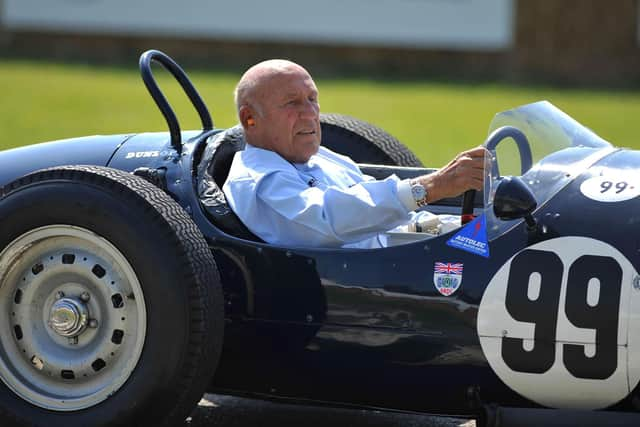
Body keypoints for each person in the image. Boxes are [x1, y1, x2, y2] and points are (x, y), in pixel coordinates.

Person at [223, 59, 487, 249]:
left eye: (312, 99)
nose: (310, 113)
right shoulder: (258, 181)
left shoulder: (323, 158)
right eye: (292, 103)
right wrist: (431, 186)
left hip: (397, 265)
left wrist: (455, 228)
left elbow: (392, 221)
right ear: (250, 119)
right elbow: (327, 220)